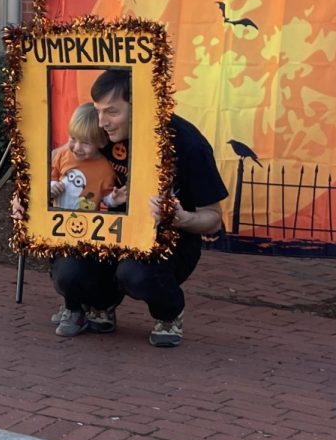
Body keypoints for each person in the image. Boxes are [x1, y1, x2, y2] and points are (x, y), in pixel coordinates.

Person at [26, 68, 228, 348]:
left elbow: (213, 220)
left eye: (111, 111)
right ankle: (100, 303)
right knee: (68, 274)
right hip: (104, 237)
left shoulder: (187, 143)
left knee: (134, 273)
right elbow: (58, 165)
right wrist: (30, 197)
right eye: (97, 110)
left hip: (165, 244)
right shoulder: (99, 134)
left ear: (141, 103)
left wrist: (180, 218)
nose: (102, 122)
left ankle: (169, 313)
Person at [49, 102, 121, 212]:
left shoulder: (106, 168)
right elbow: (52, 177)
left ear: (101, 142)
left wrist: (114, 199)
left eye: (86, 143)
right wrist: (52, 186)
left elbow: (105, 197)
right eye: (73, 138)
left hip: (88, 225)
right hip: (56, 221)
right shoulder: (63, 154)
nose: (77, 148)